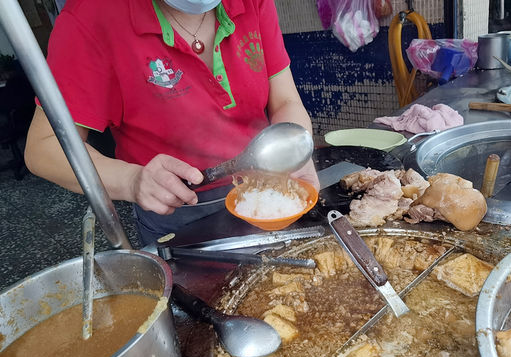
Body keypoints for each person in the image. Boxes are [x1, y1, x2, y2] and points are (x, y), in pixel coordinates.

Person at [24, 0, 320, 246]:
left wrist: (296, 150)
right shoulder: (92, 17)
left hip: (265, 192)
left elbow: (285, 103)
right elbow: (44, 148)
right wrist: (131, 180)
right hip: (178, 217)